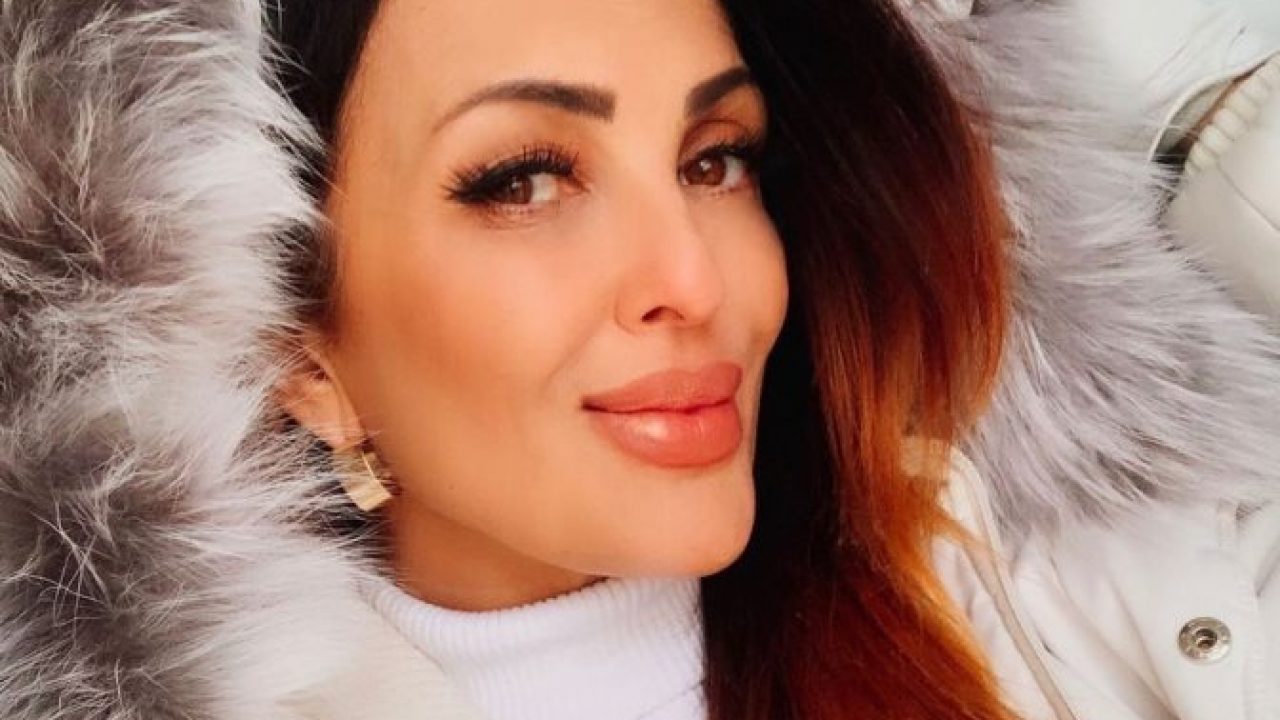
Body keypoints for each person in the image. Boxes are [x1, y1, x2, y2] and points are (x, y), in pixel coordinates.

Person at [0, 1, 1277, 719]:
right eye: (523, 179)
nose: (696, 280)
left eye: (714, 160)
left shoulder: (1082, 593)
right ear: (300, 351)